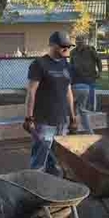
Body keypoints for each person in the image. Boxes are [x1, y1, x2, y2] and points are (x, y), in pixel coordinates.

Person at [24, 31, 78, 176]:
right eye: (63, 46)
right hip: (44, 121)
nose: (67, 49)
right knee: (39, 161)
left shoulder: (66, 65)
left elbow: (68, 91)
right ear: (53, 46)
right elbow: (31, 92)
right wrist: (29, 118)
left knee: (56, 161)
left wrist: (73, 117)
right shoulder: (39, 64)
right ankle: (34, 188)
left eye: (68, 46)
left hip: (62, 122)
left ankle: (53, 190)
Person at [70, 35, 103, 132]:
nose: (79, 42)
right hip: (76, 80)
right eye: (78, 40)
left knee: (89, 103)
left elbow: (98, 61)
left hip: (89, 79)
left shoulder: (91, 50)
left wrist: (100, 72)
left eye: (81, 40)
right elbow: (71, 66)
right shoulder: (73, 52)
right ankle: (74, 126)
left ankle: (90, 124)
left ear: (85, 41)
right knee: (75, 105)